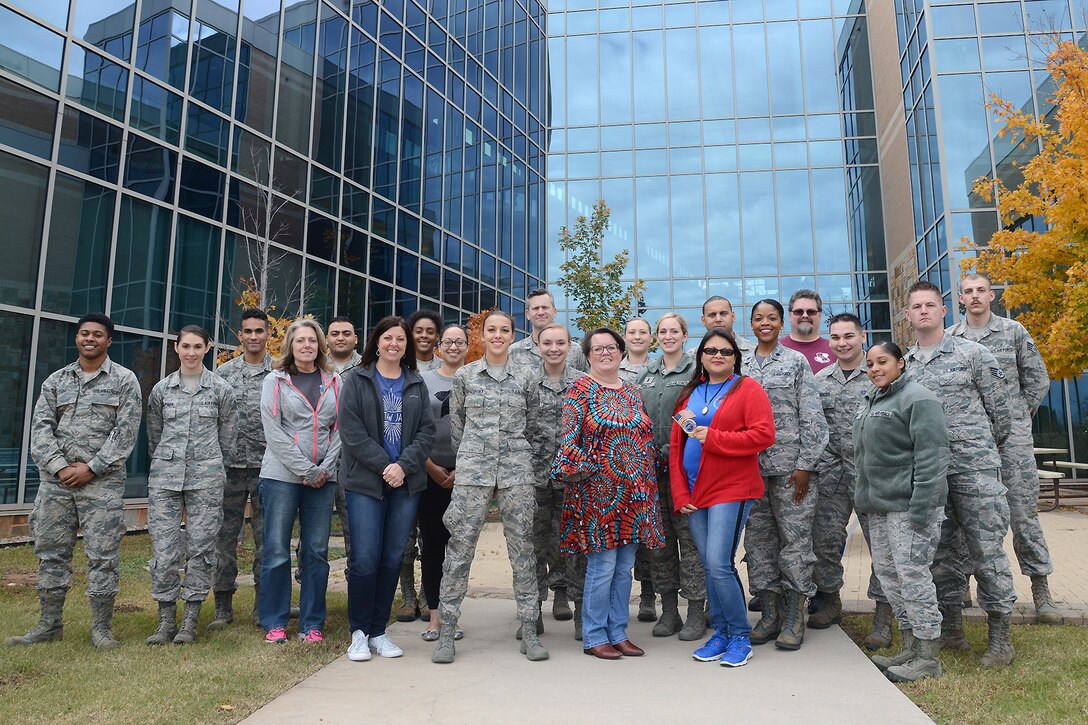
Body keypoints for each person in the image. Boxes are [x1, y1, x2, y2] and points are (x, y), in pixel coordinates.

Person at [8, 314, 141, 650]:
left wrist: (91, 468)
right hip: (57, 485)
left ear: (109, 341)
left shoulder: (125, 381)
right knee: (51, 553)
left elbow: (125, 433)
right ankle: (49, 625)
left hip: (102, 485)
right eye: (84, 334)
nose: (90, 339)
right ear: (77, 338)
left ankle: (101, 630)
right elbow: (40, 429)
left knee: (102, 556)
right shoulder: (56, 381)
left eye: (98, 334)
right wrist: (58, 467)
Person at [903, 280, 1016, 668]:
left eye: (930, 305)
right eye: (916, 306)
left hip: (975, 468)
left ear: (943, 310)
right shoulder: (906, 365)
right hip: (931, 473)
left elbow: (1001, 414)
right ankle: (951, 628)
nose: (923, 312)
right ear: (907, 316)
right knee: (940, 553)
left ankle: (1000, 635)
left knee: (986, 549)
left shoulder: (974, 354)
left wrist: (979, 450)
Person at [432, 310, 546, 664]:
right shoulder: (465, 376)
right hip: (473, 472)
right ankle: (447, 631)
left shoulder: (527, 377)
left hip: (516, 472)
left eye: (505, 330)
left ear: (514, 336)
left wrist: (515, 457)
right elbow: (458, 427)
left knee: (523, 549)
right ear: (481, 336)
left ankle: (529, 628)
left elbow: (532, 424)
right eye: (491, 330)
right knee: (459, 549)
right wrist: (471, 458)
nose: (498, 335)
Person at [949, 273, 1060, 624]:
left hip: (1011, 443)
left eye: (981, 290)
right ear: (961, 299)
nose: (975, 296)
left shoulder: (1013, 332)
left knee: (1023, 515)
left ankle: (1041, 590)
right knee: (967, 514)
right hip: (970, 442)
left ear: (991, 295)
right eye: (968, 291)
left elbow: (1037, 379)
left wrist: (1015, 420)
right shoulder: (952, 339)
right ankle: (962, 587)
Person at [553, 328, 664, 660]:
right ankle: (594, 635)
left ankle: (618, 632)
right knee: (602, 567)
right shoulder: (580, 390)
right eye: (597, 348)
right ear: (587, 354)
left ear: (620, 351)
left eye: (611, 347)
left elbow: (642, 437)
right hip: (597, 495)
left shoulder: (632, 391)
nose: (605, 353)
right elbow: (569, 445)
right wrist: (600, 467)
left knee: (624, 567)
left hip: (633, 495)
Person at [670, 329, 775, 668]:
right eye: (711, 350)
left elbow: (763, 435)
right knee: (709, 565)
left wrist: (713, 437)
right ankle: (722, 632)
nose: (718, 355)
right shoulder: (691, 393)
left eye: (726, 352)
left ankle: (740, 635)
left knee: (718, 562)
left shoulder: (747, 389)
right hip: (694, 489)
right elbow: (677, 446)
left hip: (731, 487)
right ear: (700, 356)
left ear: (735, 358)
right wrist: (680, 491)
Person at [339, 316, 436, 661]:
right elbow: (351, 433)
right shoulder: (357, 380)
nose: (394, 343)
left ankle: (379, 631)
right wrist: (385, 466)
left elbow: (427, 432)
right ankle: (359, 633)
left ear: (406, 346)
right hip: (365, 482)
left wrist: (402, 467)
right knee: (364, 559)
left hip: (405, 484)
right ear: (376, 342)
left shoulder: (415, 383)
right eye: (388, 338)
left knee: (392, 557)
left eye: (400, 339)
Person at [855, 341, 950, 683]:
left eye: (883, 361)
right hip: (878, 507)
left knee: (913, 577)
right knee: (890, 576)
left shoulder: (918, 397)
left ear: (900, 362)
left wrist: (922, 508)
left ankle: (928, 657)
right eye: (870, 364)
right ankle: (910, 645)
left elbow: (933, 456)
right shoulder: (872, 398)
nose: (875, 368)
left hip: (910, 507)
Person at [744, 299, 829, 651]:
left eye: (772, 318)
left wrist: (806, 464)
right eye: (759, 318)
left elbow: (812, 415)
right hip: (750, 470)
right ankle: (770, 613)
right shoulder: (741, 364)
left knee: (795, 543)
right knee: (758, 543)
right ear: (751, 324)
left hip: (790, 470)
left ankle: (795, 616)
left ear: (782, 324)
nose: (765, 323)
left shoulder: (795, 362)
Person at [145, 326, 239, 645]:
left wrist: (213, 466)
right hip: (165, 479)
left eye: (198, 346)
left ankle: (189, 621)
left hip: (207, 479)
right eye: (185, 346)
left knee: (201, 548)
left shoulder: (221, 389)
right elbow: (154, 436)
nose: (191, 352)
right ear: (176, 347)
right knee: (164, 550)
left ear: (208, 348)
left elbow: (229, 437)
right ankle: (165, 621)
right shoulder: (161, 390)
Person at [258, 319, 341, 644]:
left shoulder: (334, 381)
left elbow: (340, 429)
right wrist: (305, 469)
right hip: (281, 476)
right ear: (290, 345)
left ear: (320, 346)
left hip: (324, 478)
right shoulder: (275, 380)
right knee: (277, 549)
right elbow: (273, 431)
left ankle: (311, 624)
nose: (306, 345)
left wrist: (325, 467)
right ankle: (275, 622)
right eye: (300, 340)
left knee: (317, 550)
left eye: (311, 340)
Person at [808, 313, 881, 633]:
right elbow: (812, 427)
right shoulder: (820, 380)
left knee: (881, 545)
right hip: (832, 474)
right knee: (824, 540)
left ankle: (883, 611)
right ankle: (830, 599)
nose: (842, 343)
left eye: (849, 336)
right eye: (835, 338)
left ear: (862, 338)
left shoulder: (880, 375)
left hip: (873, 473)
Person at [635, 313, 706, 641]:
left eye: (673, 331)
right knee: (660, 543)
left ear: (685, 335)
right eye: (662, 331)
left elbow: (703, 411)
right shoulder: (645, 374)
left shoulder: (696, 370)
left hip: (686, 471)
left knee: (690, 541)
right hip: (651, 473)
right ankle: (668, 610)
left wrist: (679, 441)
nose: (667, 336)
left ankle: (695, 611)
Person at [211, 309, 272, 629]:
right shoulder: (222, 374)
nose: (252, 336)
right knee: (224, 539)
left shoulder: (279, 371)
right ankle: (223, 606)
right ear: (240, 335)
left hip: (268, 468)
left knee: (268, 540)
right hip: (229, 467)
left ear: (267, 334)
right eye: (247, 331)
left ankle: (263, 606)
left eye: (258, 331)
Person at [529, 323, 586, 632]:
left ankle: (580, 613)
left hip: (572, 479)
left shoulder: (582, 383)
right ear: (538, 345)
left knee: (573, 547)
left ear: (569, 346)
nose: (554, 348)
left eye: (560, 343)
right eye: (547, 343)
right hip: (534, 478)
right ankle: (533, 611)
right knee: (534, 547)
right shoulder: (527, 382)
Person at [419, 325, 469, 641]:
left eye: (459, 342)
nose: (453, 346)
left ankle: (454, 615)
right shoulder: (423, 382)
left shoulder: (475, 380)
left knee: (459, 549)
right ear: (439, 346)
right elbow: (414, 428)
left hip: (465, 477)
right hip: (429, 474)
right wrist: (431, 467)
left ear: (467, 347)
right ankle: (435, 616)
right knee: (433, 544)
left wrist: (461, 470)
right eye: (447, 341)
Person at [397, 309, 444, 622]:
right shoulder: (398, 365)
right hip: (403, 463)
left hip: (437, 465)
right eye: (418, 330)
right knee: (405, 536)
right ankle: (407, 596)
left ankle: (430, 596)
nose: (424, 336)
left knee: (433, 537)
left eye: (430, 331)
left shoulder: (446, 367)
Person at [619, 317, 655, 620]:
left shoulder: (658, 369)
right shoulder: (613, 368)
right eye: (632, 332)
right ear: (625, 337)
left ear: (651, 337)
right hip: (617, 465)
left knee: (647, 534)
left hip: (648, 461)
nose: (637, 336)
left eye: (643, 332)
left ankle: (648, 594)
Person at [326, 316, 361, 567]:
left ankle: (356, 593)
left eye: (346, 333)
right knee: (313, 529)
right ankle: (310, 593)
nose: (341, 338)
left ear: (356, 339)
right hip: (320, 458)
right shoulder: (314, 365)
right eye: (335, 333)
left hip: (355, 461)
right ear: (326, 339)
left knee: (356, 528)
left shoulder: (368, 367)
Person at [510, 288, 588, 371]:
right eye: (536, 308)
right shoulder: (513, 352)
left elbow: (587, 382)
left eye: (545, 307)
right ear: (527, 314)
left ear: (554, 312)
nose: (541, 312)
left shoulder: (575, 351)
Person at [779, 290, 834, 373]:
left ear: (820, 315)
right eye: (798, 312)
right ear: (789, 316)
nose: (805, 315)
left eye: (811, 312)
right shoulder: (775, 349)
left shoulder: (835, 349)